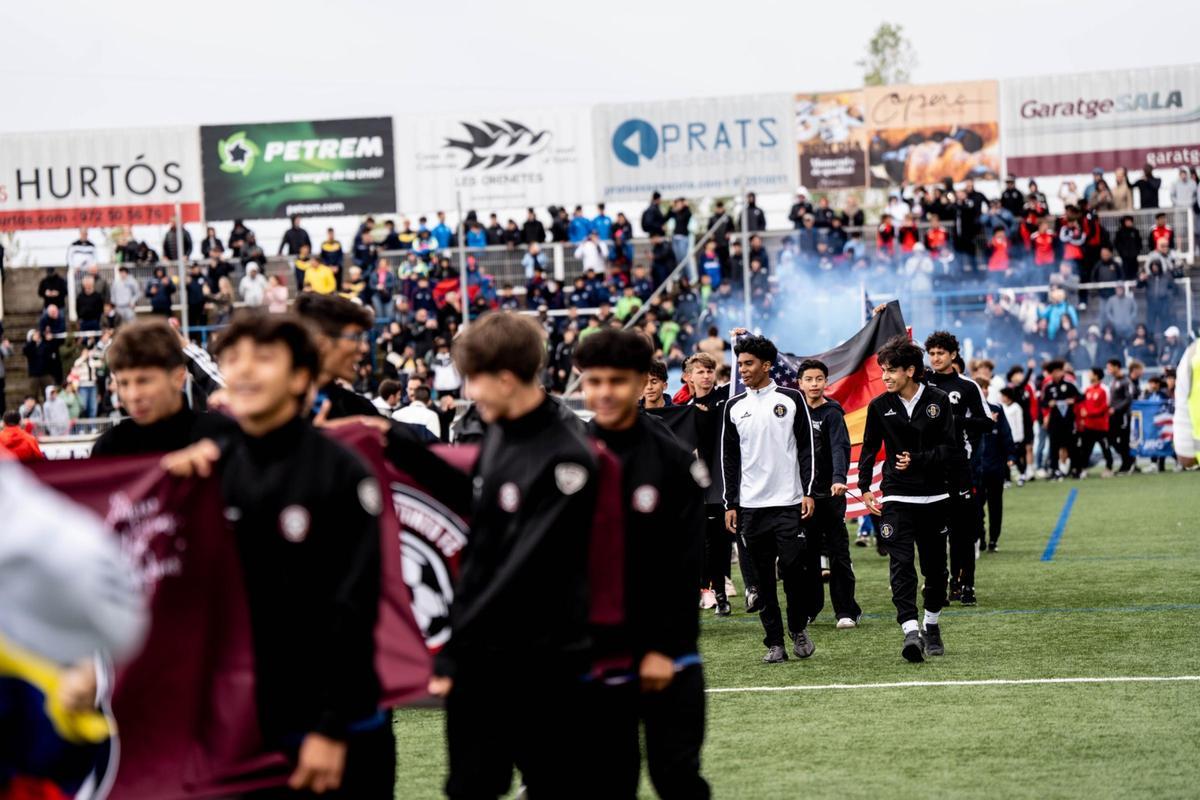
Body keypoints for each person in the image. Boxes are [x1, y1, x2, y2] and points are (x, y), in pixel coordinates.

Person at [163, 311, 391, 797]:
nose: (244, 370)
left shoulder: (341, 471)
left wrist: (331, 729)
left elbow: (353, 609)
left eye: (264, 358)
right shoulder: (208, 469)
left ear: (301, 378)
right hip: (241, 727)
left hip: (332, 728)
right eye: (235, 358)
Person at [417, 312, 600, 799]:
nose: (468, 393)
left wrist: (453, 649)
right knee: (471, 785)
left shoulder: (567, 457)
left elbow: (520, 568)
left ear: (504, 378)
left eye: (473, 381)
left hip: (544, 661)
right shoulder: (499, 432)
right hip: (487, 657)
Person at [575, 328, 710, 799]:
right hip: (594, 655)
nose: (605, 392)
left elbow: (683, 564)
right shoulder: (566, 457)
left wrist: (662, 648)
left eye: (618, 380)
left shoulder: (673, 461)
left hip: (667, 656)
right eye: (594, 381)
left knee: (677, 777)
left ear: (641, 383)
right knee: (609, 780)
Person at [858, 335, 957, 662]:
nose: (884, 377)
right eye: (883, 371)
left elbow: (950, 450)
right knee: (901, 566)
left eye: (891, 371)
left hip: (936, 496)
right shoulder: (879, 406)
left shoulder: (939, 400)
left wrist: (919, 458)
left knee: (935, 570)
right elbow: (869, 449)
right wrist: (865, 487)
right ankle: (910, 631)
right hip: (897, 497)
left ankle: (932, 624)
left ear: (911, 371)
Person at [722, 335, 817, 664]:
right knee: (762, 580)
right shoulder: (735, 407)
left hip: (788, 503)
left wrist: (808, 489)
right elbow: (729, 459)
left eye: (748, 363)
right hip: (750, 508)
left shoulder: (791, 399)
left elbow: (806, 448)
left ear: (766, 365)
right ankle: (774, 642)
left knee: (793, 569)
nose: (742, 369)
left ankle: (798, 628)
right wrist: (730, 503)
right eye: (740, 364)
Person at [90, 320, 236, 456]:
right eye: (124, 383)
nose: (133, 395)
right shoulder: (109, 447)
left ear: (178, 377)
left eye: (144, 381)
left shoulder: (222, 438)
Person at [924, 331, 992, 605]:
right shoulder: (920, 383)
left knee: (962, 532)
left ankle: (966, 584)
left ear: (953, 355)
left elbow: (987, 421)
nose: (936, 358)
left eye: (941, 353)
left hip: (957, 467)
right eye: (932, 353)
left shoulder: (967, 386)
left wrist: (955, 421)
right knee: (933, 533)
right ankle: (939, 584)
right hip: (927, 467)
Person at [797, 358, 863, 629]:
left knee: (838, 554)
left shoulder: (832, 412)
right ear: (799, 383)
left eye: (819, 379)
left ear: (826, 382)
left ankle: (847, 610)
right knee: (807, 556)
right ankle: (811, 608)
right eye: (809, 379)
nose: (814, 384)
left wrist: (838, 479)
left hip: (831, 496)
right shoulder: (793, 413)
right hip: (803, 497)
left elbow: (839, 447)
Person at [294, 294, 378, 420]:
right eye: (355, 337)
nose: (364, 348)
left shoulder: (358, 411)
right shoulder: (268, 407)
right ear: (321, 342)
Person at [974, 378, 1014, 552]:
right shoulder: (969, 411)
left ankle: (994, 540)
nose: (984, 390)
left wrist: (1010, 455)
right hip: (976, 468)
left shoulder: (997, 409)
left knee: (996, 505)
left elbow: (1006, 434)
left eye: (985, 387)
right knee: (976, 506)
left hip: (996, 467)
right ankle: (980, 537)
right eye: (980, 388)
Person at [1040, 360, 1081, 479]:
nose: (1058, 374)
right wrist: (1049, 403)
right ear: (1051, 374)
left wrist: (1072, 400)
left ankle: (1075, 469)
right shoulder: (1048, 387)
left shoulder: (1069, 384)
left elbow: (1080, 396)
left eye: (1060, 371)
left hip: (1068, 421)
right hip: (1055, 421)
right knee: (1054, 447)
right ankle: (1054, 470)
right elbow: (1042, 403)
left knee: (1072, 445)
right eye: (1055, 372)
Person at [1074, 367, 1114, 477]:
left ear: (1096, 375)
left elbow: (1105, 406)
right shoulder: (1088, 390)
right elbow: (1082, 403)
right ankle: (1084, 469)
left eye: (1090, 373)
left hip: (1101, 426)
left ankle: (1109, 468)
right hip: (1088, 425)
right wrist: (1082, 412)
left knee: (1105, 447)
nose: (1088, 375)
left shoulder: (1104, 389)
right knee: (1085, 449)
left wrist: (1089, 413)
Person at [1105, 358, 1135, 474]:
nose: (1108, 370)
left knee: (1123, 440)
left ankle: (1126, 465)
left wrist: (1116, 409)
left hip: (1123, 416)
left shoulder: (1126, 381)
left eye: (1110, 367)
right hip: (1113, 416)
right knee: (1111, 439)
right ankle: (1129, 459)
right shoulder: (1113, 381)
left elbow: (1129, 398)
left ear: (1117, 367)